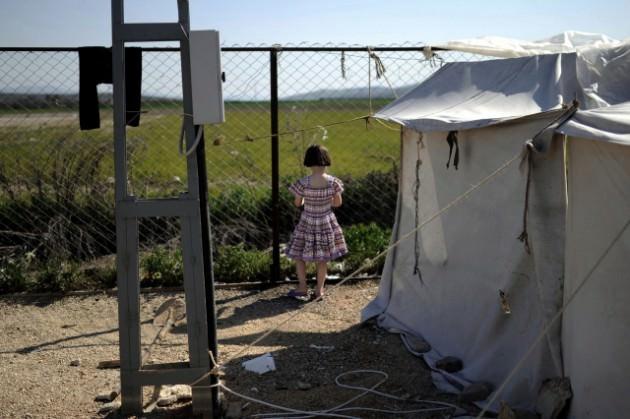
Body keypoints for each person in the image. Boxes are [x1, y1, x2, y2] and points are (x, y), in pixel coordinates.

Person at [286, 144, 348, 300]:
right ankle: (319, 290)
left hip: (307, 222)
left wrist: (308, 200)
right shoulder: (333, 182)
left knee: (299, 255)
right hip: (326, 222)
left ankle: (302, 287)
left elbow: (297, 203)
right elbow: (338, 203)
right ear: (326, 160)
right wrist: (326, 204)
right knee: (322, 258)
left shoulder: (303, 182)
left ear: (308, 161)